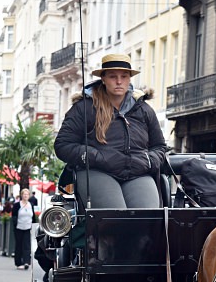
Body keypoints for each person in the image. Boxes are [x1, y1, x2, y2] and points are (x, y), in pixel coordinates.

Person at [54, 53, 167, 208]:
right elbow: (63, 145)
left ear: (129, 79)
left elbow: (160, 146)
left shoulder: (144, 110)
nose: (119, 81)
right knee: (114, 218)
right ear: (104, 79)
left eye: (124, 76)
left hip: (137, 172)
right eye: (113, 76)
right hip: (98, 171)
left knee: (147, 219)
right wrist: (95, 156)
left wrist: (148, 161)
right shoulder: (84, 108)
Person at [12, 189, 36, 270]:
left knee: (27, 245)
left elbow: (33, 217)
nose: (25, 196)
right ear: (21, 195)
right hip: (19, 228)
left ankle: (26, 262)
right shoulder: (17, 205)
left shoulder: (31, 205)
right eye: (24, 194)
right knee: (19, 245)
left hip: (28, 228)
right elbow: (14, 216)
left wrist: (34, 226)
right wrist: (15, 224)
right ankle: (18, 262)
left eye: (27, 194)